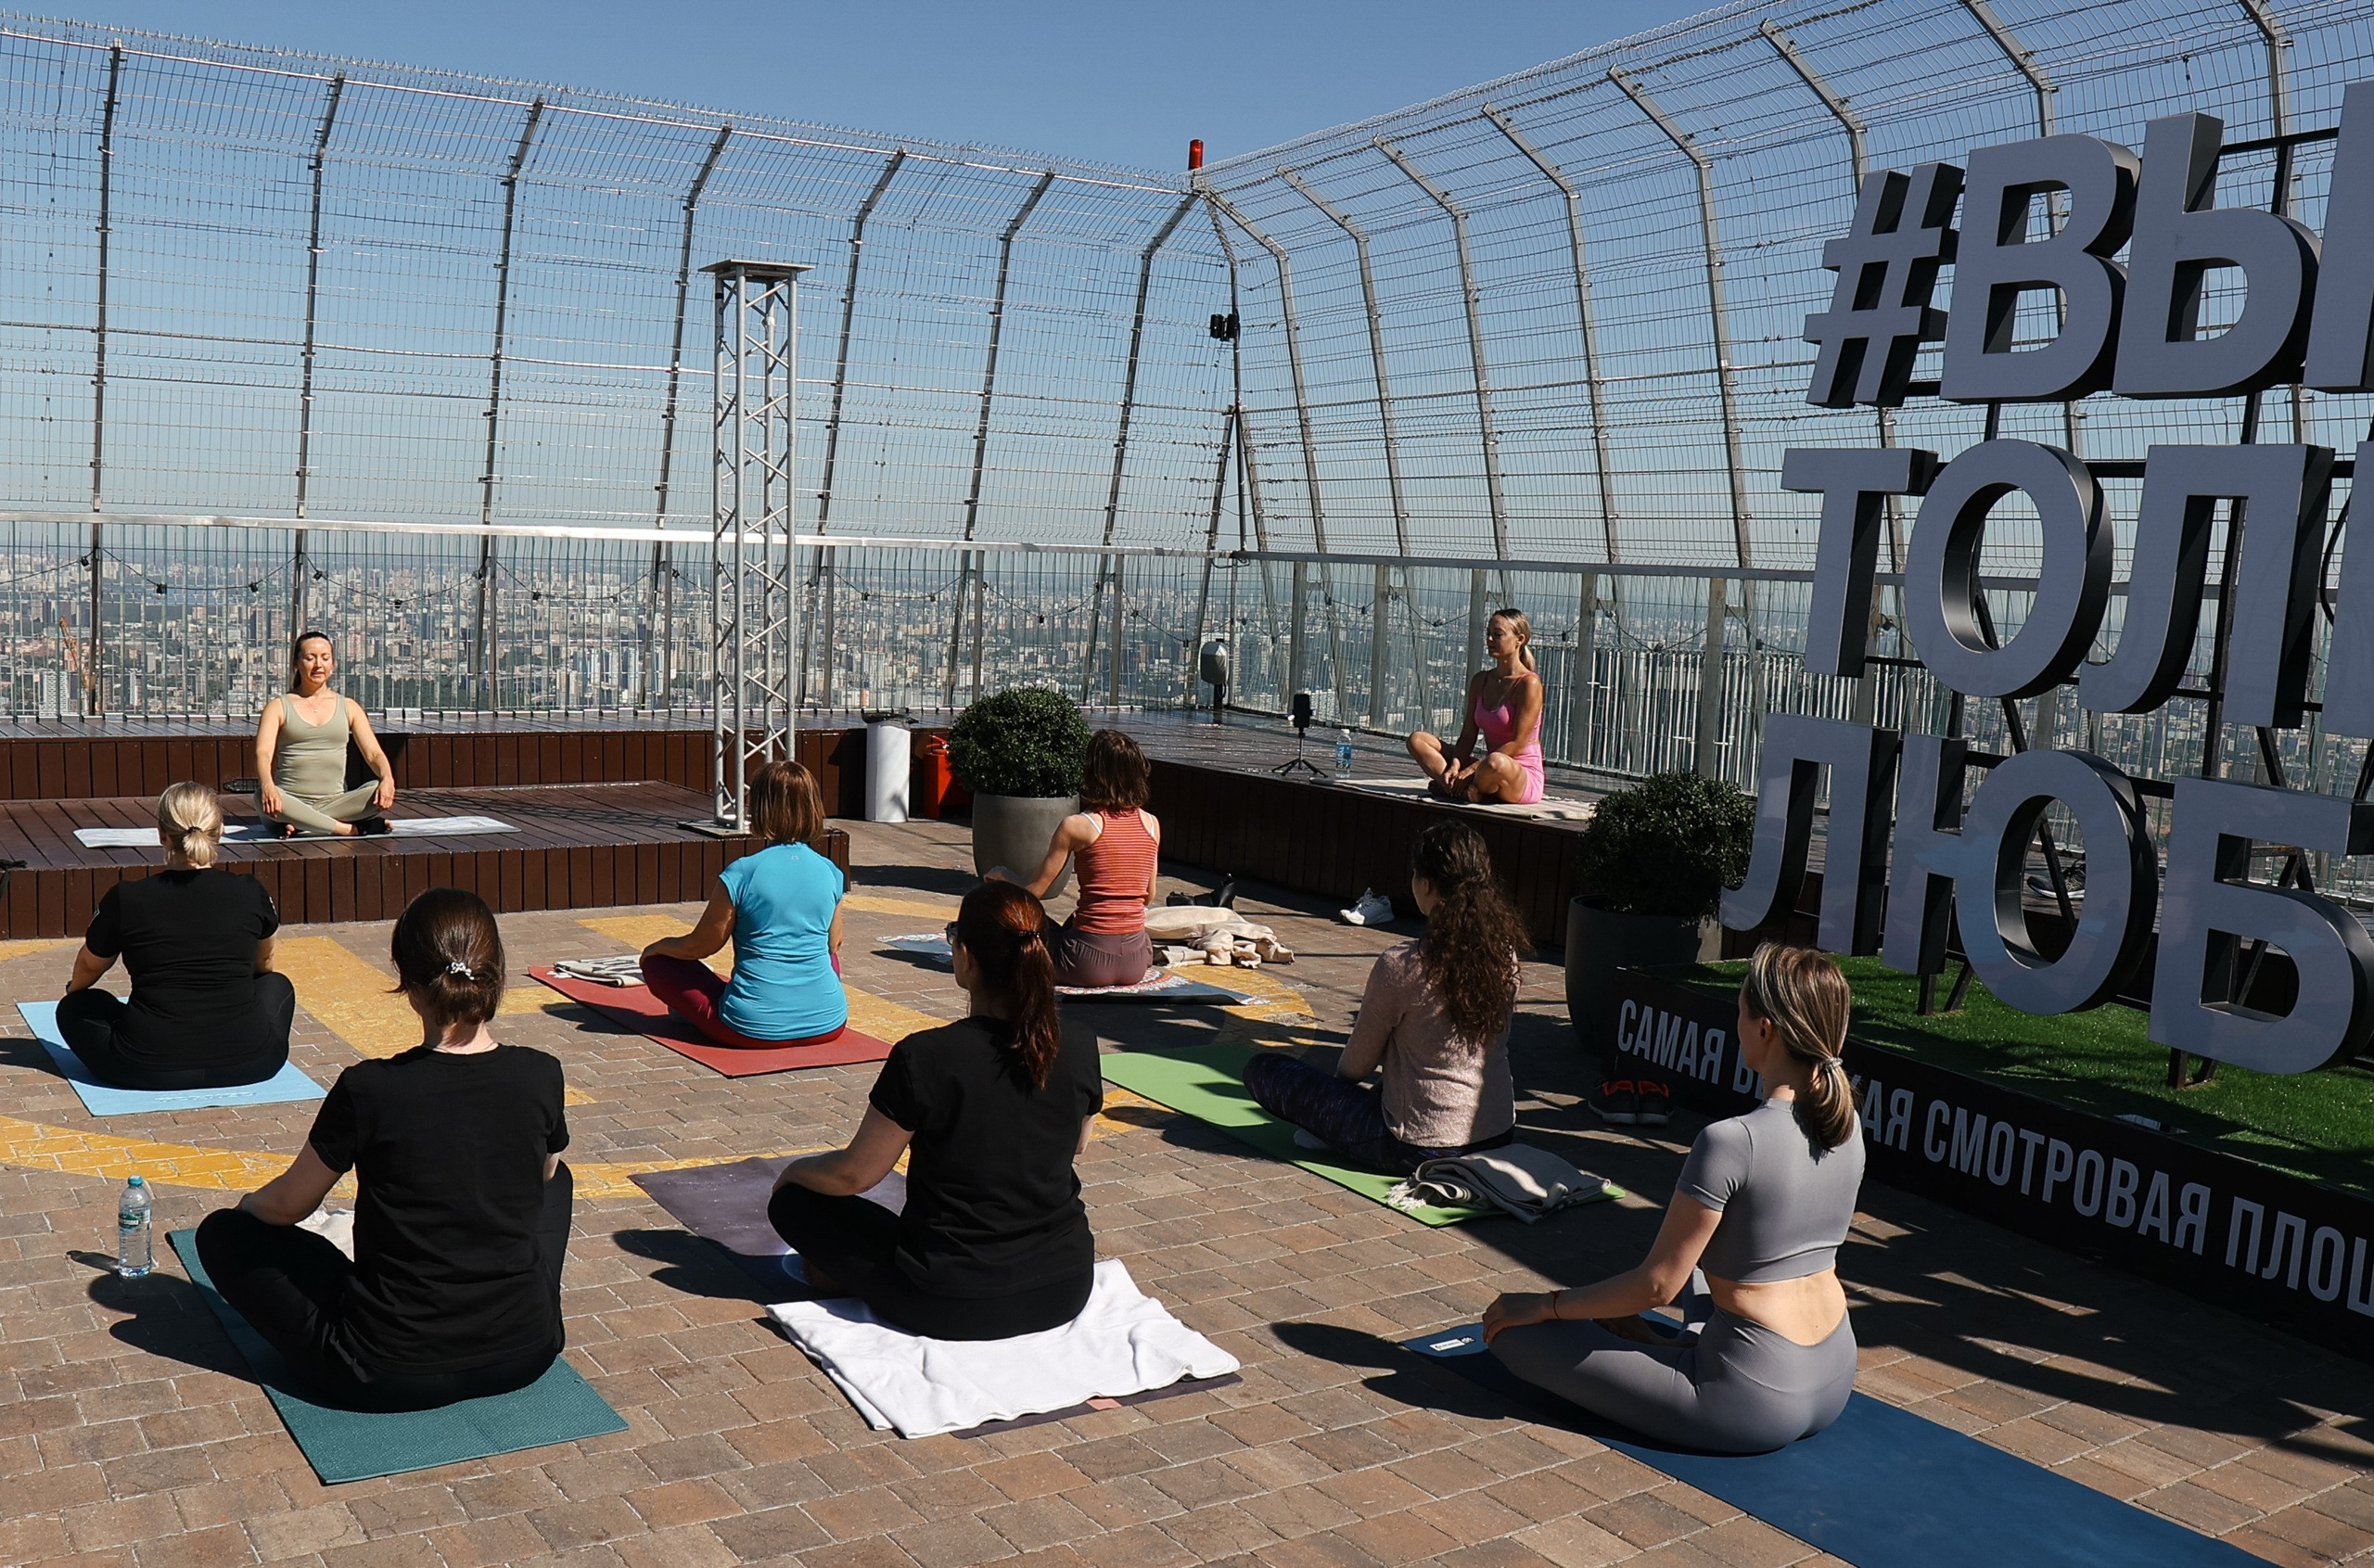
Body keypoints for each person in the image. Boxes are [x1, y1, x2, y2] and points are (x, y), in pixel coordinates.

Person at [194, 887, 572, 1412]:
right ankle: (513, 1303)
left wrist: (246, 1212)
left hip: (385, 1370)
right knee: (559, 1175)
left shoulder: (370, 1088)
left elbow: (289, 1205)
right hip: (526, 1352)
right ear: (495, 975)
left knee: (222, 1236)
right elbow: (545, 1175)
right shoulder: (541, 1072)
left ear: (410, 986)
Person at [1482, 944, 1865, 1454]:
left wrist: (1549, 1306)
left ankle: (1663, 1352)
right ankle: (1665, 1347)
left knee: (1512, 1332)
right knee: (1711, 1265)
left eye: (1740, 1013)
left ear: (1765, 1031)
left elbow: (1658, 1285)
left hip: (1751, 1398)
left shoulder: (1733, 1140)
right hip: (1836, 1369)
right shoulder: (1847, 1124)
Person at [769, 881, 1102, 1340]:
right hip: (1065, 1286)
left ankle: (852, 1278)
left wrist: (793, 1171)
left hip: (951, 1301)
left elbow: (855, 1175)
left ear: (964, 956)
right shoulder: (1080, 1041)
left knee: (794, 1204)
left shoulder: (926, 1055)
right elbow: (1079, 1145)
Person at [1243, 821, 1522, 1175]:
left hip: (1418, 1145)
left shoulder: (1403, 965)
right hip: (1497, 1133)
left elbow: (1354, 1068)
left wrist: (1330, 1107)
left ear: (1425, 885)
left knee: (1266, 1070)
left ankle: (1333, 1131)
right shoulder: (1504, 954)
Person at [57, 783, 294, 1090]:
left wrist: (74, 990)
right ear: (220, 830)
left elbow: (90, 967)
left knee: (76, 1007)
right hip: (253, 1062)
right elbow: (264, 964)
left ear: (161, 834)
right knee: (276, 984)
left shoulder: (127, 897)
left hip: (143, 1067)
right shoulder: (249, 890)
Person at [641, 760, 847, 1048]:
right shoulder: (830, 870)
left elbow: (701, 946)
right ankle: (805, 1005)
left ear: (759, 809)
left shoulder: (742, 872)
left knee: (658, 963)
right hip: (828, 1023)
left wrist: (655, 948)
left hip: (750, 1028)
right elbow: (832, 944)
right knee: (827, 958)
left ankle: (700, 1009)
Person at [992, 730, 1161, 988]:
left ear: (1092, 772)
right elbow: (1148, 896)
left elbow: (1033, 892)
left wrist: (1001, 877)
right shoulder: (1151, 824)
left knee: (1019, 919)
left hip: (1083, 963)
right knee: (1074, 922)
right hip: (1136, 962)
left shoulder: (1077, 826)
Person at [255, 631, 396, 837]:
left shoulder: (349, 707)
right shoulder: (278, 707)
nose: (318, 665)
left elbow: (373, 753)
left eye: (325, 658)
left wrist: (388, 778)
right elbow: (263, 752)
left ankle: (302, 822)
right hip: (287, 800)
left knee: (377, 790)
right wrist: (268, 786)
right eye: (310, 658)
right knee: (262, 796)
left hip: (335, 802)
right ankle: (348, 829)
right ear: (296, 663)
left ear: (333, 664)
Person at [1408, 608, 1545, 805]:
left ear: (1519, 639)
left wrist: (1472, 769)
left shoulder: (1528, 684)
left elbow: (1518, 743)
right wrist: (1456, 764)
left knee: (1495, 762)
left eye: (1497, 635)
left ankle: (1456, 788)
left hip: (1517, 773)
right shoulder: (1480, 680)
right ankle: (1460, 787)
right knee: (1418, 740)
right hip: (1485, 768)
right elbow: (1467, 735)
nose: (1489, 639)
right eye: (1488, 634)